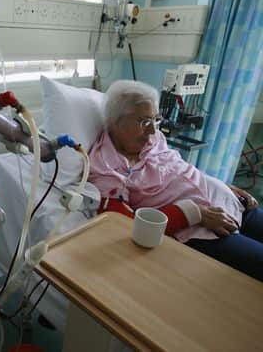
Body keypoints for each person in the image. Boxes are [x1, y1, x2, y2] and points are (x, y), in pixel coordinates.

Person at [88, 80, 263, 282]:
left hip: (230, 202)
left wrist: (223, 186)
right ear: (115, 122)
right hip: (204, 230)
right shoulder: (104, 168)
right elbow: (126, 226)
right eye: (144, 122)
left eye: (155, 120)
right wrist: (195, 213)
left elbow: (179, 170)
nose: (153, 131)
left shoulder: (153, 140)